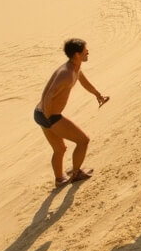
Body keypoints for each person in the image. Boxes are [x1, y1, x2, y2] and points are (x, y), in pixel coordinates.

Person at [35, 39, 110, 187]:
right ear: (77, 54)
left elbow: (83, 80)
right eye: (85, 50)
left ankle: (59, 179)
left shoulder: (74, 68)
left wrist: (97, 94)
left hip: (40, 114)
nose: (87, 52)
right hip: (49, 115)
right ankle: (76, 173)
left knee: (60, 148)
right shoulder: (66, 74)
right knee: (83, 141)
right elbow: (50, 95)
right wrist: (50, 118)